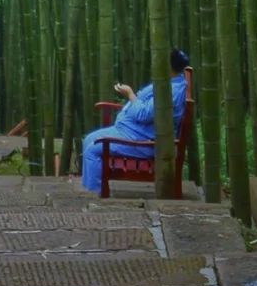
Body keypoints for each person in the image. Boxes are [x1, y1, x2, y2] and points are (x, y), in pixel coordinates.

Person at [80, 47, 190, 193]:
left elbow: (144, 114)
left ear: (168, 66)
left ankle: (94, 196)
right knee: (88, 139)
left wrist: (130, 94)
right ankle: (93, 189)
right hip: (131, 131)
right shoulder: (167, 81)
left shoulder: (171, 91)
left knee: (92, 150)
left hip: (143, 141)